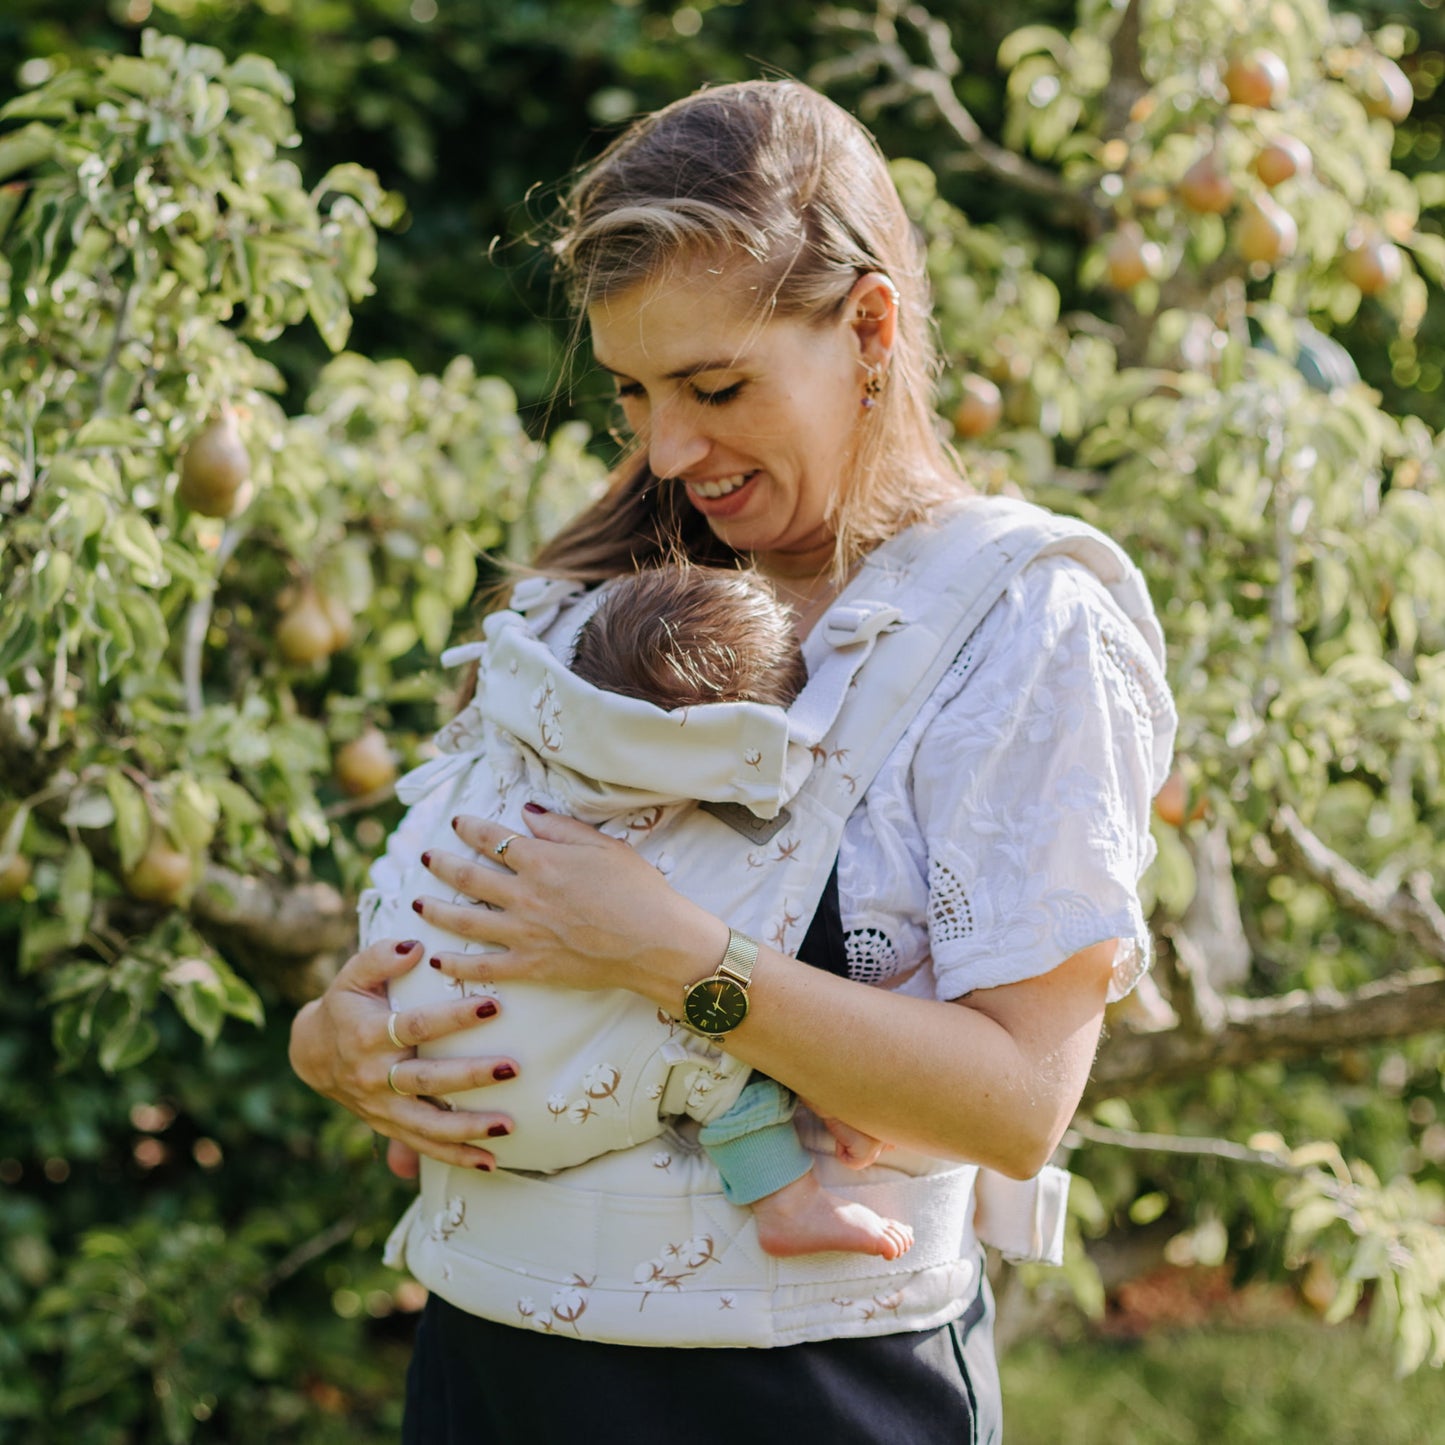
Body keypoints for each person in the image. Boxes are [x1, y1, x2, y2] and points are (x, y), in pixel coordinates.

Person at [289, 78, 1177, 1443]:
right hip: (490, 1365)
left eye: (716, 386)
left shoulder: (1018, 622)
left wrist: (669, 955)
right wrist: (332, 1039)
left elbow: (1014, 1106)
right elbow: (445, 912)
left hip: (796, 1391)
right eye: (637, 392)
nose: (668, 449)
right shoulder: (611, 604)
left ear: (869, 328)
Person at [368, 561, 913, 1260]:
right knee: (732, 1008)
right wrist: (828, 1084)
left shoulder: (508, 751)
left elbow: (410, 841)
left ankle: (407, 1142)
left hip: (415, 1062)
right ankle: (783, 1197)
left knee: (420, 905)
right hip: (547, 1108)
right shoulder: (710, 837)